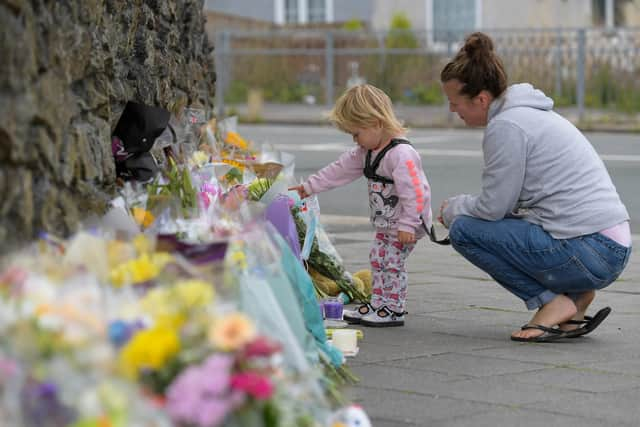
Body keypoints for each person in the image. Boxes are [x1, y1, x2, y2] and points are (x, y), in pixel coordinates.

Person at [438, 32, 632, 342]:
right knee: (513, 223)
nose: (452, 110)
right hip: (612, 246)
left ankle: (553, 302)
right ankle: (576, 302)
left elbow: (492, 209)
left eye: (454, 102)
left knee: (463, 230)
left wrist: (453, 209)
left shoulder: (507, 127)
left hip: (589, 250)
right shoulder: (532, 114)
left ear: (481, 99)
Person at [289, 84, 433, 327]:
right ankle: (379, 302)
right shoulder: (368, 150)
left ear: (376, 123)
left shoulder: (401, 154)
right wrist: (309, 186)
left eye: (356, 133)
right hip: (388, 224)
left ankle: (394, 308)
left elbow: (416, 192)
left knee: (392, 262)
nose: (355, 140)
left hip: (406, 225)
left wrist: (409, 223)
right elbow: (340, 169)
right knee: (377, 257)